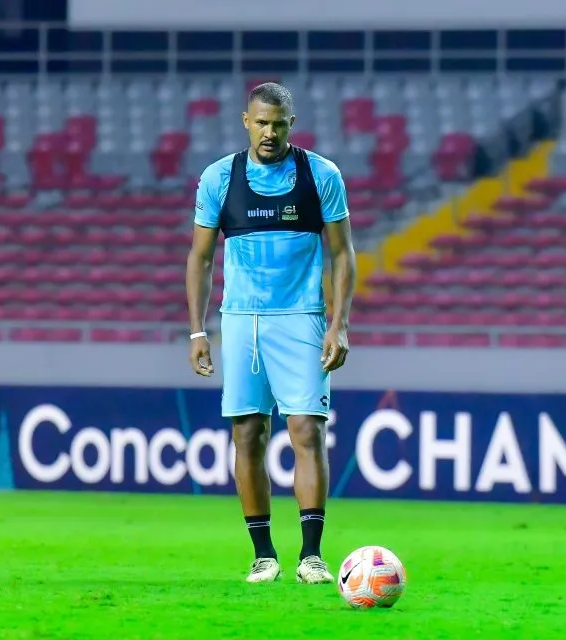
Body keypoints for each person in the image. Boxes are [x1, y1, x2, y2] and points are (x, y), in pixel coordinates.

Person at [185, 82, 356, 585]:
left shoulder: (321, 175)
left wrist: (339, 324)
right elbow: (200, 257)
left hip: (301, 317)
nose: (269, 132)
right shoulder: (219, 178)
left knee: (307, 430)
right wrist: (197, 331)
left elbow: (342, 252)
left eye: (279, 124)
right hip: (241, 320)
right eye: (261, 122)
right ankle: (263, 555)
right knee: (248, 434)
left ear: (291, 125)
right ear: (246, 121)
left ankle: (311, 556)